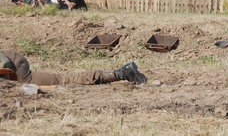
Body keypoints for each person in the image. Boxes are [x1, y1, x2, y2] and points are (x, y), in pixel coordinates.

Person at [0, 49, 147, 85]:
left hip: (16, 67)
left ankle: (121, 73)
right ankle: (120, 72)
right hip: (13, 61)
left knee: (63, 80)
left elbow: (5, 66)